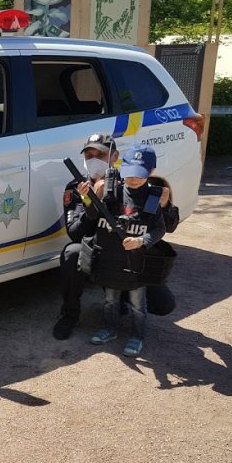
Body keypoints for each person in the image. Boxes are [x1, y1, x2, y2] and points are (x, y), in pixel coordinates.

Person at [88, 144, 166, 357]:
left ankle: (137, 336)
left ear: (150, 172)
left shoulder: (153, 197)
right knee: (110, 299)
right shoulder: (111, 190)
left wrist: (142, 240)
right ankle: (110, 329)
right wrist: (91, 197)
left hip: (136, 264)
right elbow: (92, 216)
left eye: (139, 175)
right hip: (110, 260)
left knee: (137, 305)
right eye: (129, 174)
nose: (132, 179)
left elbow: (160, 228)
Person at [52, 132, 119, 340]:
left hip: (119, 250)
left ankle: (125, 302)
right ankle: (69, 315)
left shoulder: (126, 184)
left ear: (114, 157)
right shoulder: (75, 187)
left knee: (162, 304)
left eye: (100, 154)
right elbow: (74, 233)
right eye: (89, 155)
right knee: (72, 253)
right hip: (92, 248)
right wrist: (90, 203)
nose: (93, 160)